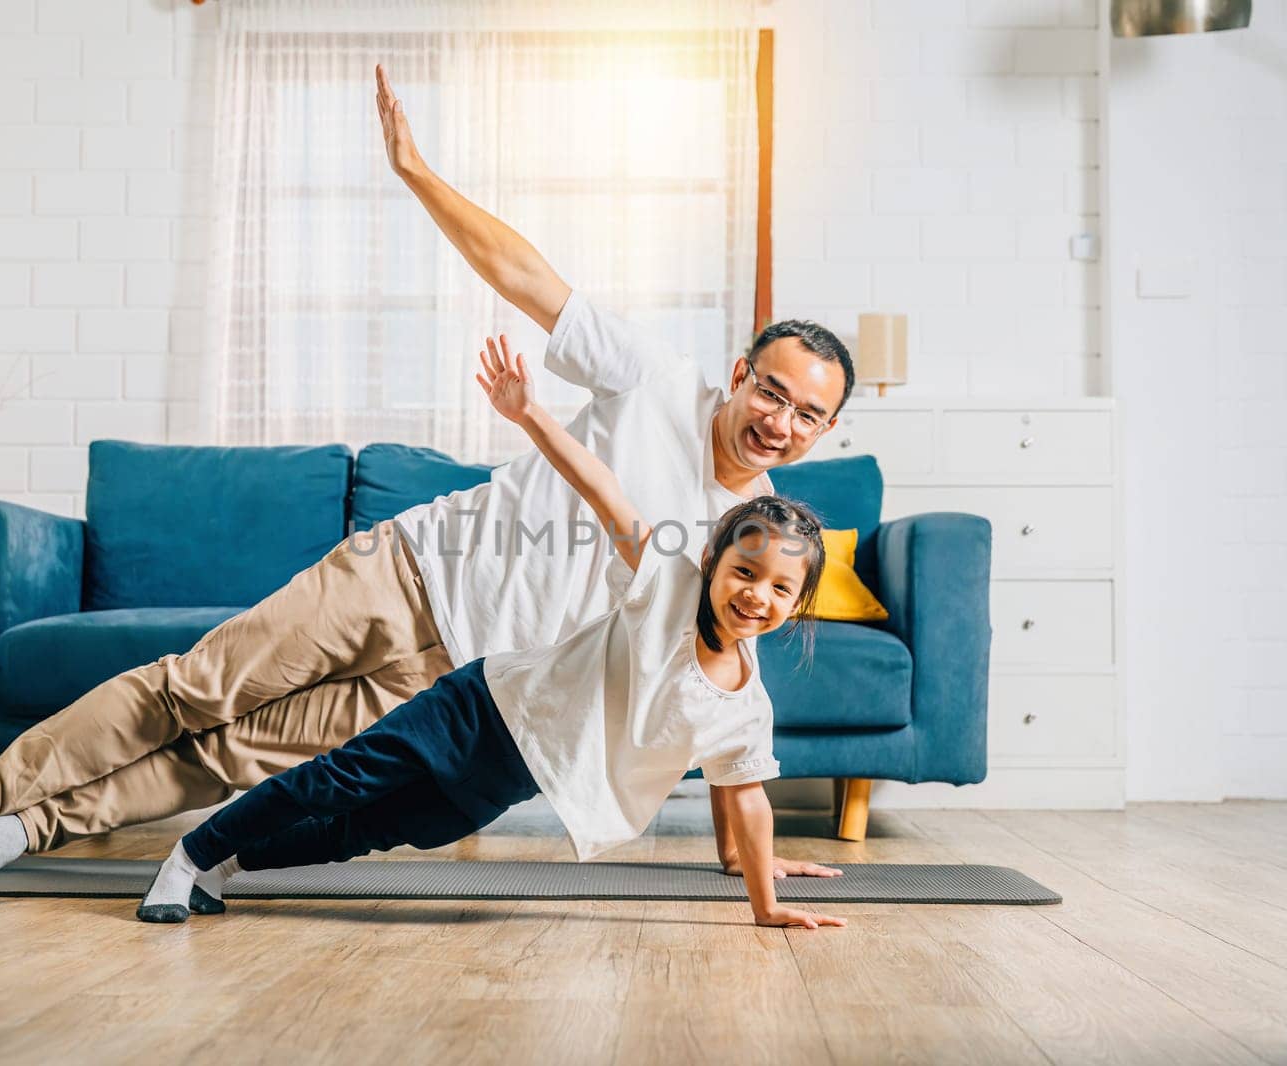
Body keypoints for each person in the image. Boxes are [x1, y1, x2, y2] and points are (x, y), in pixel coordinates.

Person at [0, 64, 853, 881]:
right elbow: (526, 276)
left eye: (809, 413)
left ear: (825, 429)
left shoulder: (761, 535)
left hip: (461, 676)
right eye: (772, 391)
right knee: (196, 691)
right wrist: (415, 171)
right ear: (740, 374)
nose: (781, 421)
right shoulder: (652, 377)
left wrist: (747, 856)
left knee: (230, 756)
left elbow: (724, 680)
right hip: (407, 573)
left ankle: (21, 830)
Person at [136, 346, 846, 929]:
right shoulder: (667, 579)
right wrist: (529, 411)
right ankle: (190, 856)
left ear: (797, 605)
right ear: (713, 562)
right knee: (343, 778)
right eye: (745, 571)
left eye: (780, 588)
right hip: (483, 704)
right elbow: (602, 487)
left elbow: (746, 791)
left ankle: (231, 863)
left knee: (372, 829)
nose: (757, 594)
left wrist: (767, 905)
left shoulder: (746, 703)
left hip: (521, 768)